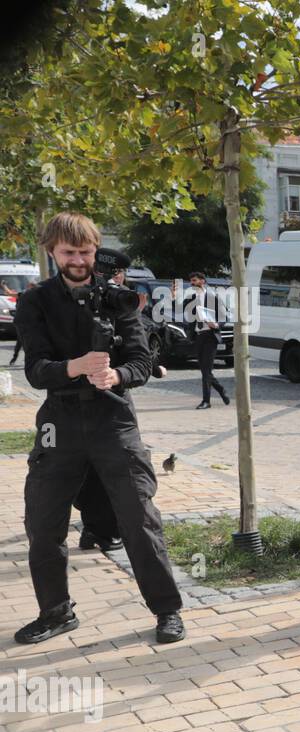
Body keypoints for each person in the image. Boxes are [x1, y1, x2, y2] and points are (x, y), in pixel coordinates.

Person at [12, 211, 186, 645]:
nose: (78, 260)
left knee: (139, 517)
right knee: (43, 519)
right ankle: (55, 612)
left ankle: (167, 611)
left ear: (95, 251)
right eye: (69, 252)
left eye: (85, 252)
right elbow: (35, 370)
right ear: (52, 251)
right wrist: (75, 367)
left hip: (113, 419)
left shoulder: (119, 300)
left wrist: (116, 376)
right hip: (60, 419)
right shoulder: (35, 302)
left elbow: (142, 362)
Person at [185, 271, 229, 409]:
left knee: (206, 370)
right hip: (198, 336)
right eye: (191, 281)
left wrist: (216, 324)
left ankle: (206, 401)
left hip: (210, 336)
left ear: (202, 281)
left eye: (195, 280)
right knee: (205, 370)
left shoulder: (212, 297)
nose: (192, 283)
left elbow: (224, 316)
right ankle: (221, 389)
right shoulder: (191, 298)